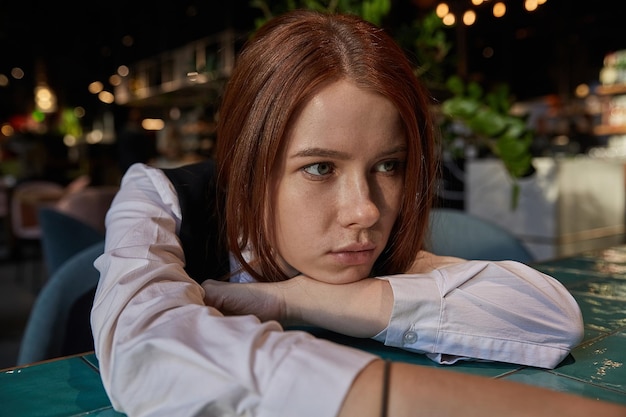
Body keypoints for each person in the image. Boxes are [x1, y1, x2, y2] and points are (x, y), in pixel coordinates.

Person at [90, 10, 625, 417]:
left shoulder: (372, 250)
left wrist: (297, 299)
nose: (365, 210)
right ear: (248, 163)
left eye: (388, 166)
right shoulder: (160, 196)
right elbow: (145, 346)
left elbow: (552, 319)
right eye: (320, 168)